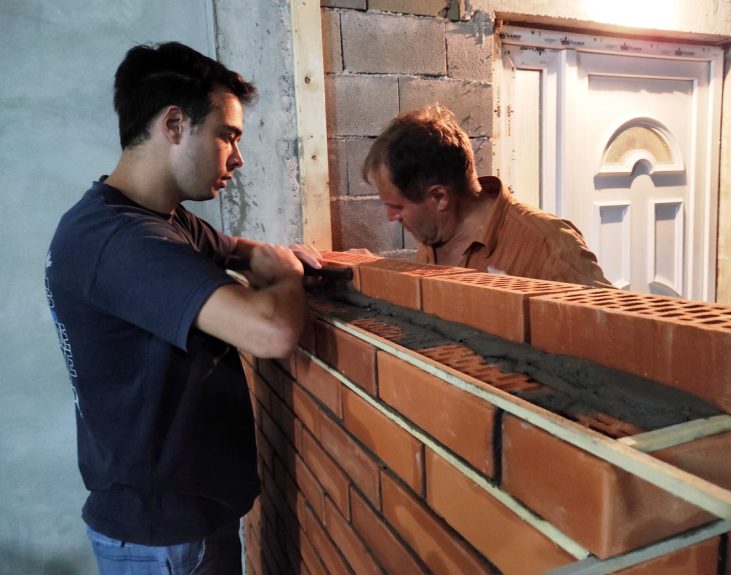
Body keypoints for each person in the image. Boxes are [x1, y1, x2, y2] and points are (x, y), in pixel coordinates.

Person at [45, 41, 317, 574]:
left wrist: (263, 255)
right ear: (174, 125)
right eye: (227, 137)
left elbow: (234, 249)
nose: (237, 159)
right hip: (161, 541)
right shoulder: (119, 240)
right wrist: (286, 274)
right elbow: (271, 333)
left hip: (181, 522)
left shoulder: (162, 220)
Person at [362, 103, 613, 288]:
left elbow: (617, 332)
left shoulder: (549, 245)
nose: (390, 216)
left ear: (439, 198)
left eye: (397, 206)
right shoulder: (433, 237)